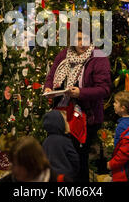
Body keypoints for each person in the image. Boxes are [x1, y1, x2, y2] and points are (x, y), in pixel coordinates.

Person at [44, 27, 111, 182]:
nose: (82, 44)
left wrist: (81, 93)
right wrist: (48, 87)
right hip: (63, 113)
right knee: (62, 157)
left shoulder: (98, 56)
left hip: (87, 116)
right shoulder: (64, 55)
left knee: (79, 158)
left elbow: (104, 89)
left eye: (86, 39)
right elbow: (51, 75)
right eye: (78, 39)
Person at [0, 136, 68, 182]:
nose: (12, 169)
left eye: (16, 165)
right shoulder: (9, 180)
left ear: (31, 164)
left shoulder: (60, 180)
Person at [42, 110, 80, 181]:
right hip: (65, 177)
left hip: (51, 177)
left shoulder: (45, 142)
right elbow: (74, 159)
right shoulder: (65, 141)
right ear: (61, 123)